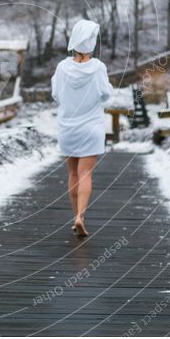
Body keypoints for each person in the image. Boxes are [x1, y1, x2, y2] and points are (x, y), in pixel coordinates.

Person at [51, 19, 113, 237]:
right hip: (91, 127)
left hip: (67, 127)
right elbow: (106, 95)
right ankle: (81, 216)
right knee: (85, 173)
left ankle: (74, 214)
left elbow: (56, 95)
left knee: (72, 173)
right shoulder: (98, 68)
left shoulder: (62, 67)